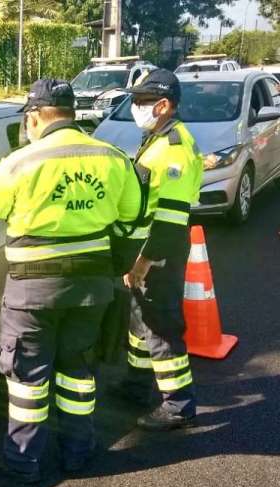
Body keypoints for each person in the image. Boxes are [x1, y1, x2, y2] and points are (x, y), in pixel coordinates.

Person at [0, 79, 142, 481]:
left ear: (34, 117)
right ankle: (78, 451)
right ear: (71, 113)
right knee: (78, 373)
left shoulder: (19, 163)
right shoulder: (113, 157)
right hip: (91, 290)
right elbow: (132, 215)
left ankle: (22, 459)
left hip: (32, 293)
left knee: (28, 380)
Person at [109, 69, 202, 431]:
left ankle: (178, 404)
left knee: (160, 325)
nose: (135, 108)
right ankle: (136, 384)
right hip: (147, 250)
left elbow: (169, 222)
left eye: (141, 102)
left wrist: (142, 265)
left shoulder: (173, 148)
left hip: (158, 253)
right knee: (140, 322)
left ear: (162, 105)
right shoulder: (158, 137)